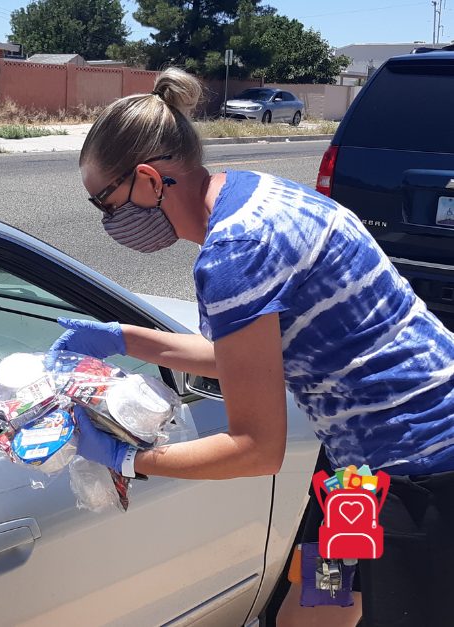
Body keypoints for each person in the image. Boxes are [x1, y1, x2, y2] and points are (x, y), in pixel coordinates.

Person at [51, 67, 454, 627]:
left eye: (104, 201)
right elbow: (246, 361)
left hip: (421, 471)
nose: (107, 220)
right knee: (313, 612)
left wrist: (126, 458)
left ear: (147, 180)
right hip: (356, 476)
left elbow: (256, 448)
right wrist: (124, 338)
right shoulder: (252, 192)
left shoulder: (235, 253)